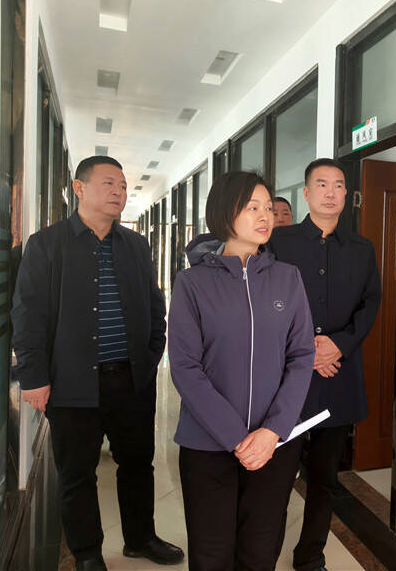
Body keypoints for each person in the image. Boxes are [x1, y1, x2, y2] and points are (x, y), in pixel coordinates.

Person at [11, 155, 183, 571]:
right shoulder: (47, 244)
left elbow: (154, 307)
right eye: (109, 183)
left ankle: (140, 539)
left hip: (131, 380)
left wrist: (150, 358)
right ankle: (87, 554)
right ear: (79, 188)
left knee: (138, 465)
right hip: (70, 382)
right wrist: (33, 377)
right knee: (77, 474)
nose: (118, 192)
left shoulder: (135, 246)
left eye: (122, 186)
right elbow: (28, 314)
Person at [171, 171, 315, 571]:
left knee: (260, 552)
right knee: (211, 554)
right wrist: (237, 438)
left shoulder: (288, 278)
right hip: (207, 444)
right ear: (224, 212)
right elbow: (185, 367)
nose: (265, 216)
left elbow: (301, 356)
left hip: (274, 446)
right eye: (252, 207)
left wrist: (271, 432)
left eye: (268, 207)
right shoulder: (193, 283)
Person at [269, 158, 382, 571]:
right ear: (306, 193)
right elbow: (266, 302)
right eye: (321, 184)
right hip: (287, 380)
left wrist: (340, 345)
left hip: (338, 377)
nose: (330, 192)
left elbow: (371, 302)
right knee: (276, 478)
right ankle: (261, 554)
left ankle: (310, 554)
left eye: (338, 185)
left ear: (346, 194)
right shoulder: (279, 242)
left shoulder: (361, 248)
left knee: (325, 478)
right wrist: (307, 350)